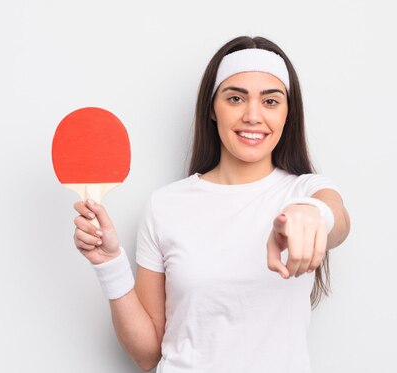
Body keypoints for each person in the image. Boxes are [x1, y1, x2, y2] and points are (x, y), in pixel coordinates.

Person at [72, 36, 351, 372]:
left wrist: (312, 214)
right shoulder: (165, 206)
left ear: (288, 114)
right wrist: (108, 264)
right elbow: (147, 354)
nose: (252, 116)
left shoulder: (305, 191)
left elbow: (337, 219)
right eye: (235, 98)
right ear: (211, 109)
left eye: (271, 102)